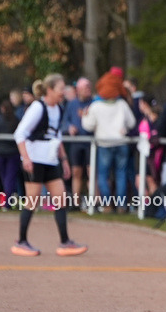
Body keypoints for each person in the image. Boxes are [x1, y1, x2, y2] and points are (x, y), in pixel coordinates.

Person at [11, 74, 87, 256]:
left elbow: (56, 136)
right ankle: (21, 241)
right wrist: (26, 158)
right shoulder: (38, 107)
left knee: (61, 200)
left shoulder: (59, 109)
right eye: (61, 89)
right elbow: (19, 134)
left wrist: (64, 160)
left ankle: (65, 242)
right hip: (34, 161)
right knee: (32, 201)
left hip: (50, 160)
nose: (63, 92)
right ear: (50, 90)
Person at [82, 69, 136, 214]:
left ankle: (106, 205)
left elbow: (88, 126)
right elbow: (131, 123)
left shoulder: (96, 106)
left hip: (104, 144)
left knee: (103, 175)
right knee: (121, 174)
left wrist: (84, 116)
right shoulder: (121, 105)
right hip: (121, 143)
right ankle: (121, 205)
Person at [60, 77, 94, 208]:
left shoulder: (94, 103)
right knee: (76, 172)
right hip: (76, 143)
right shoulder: (72, 104)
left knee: (92, 172)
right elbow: (64, 121)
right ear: (78, 90)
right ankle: (75, 202)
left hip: (91, 143)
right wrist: (69, 127)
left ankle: (94, 202)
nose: (88, 90)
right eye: (85, 88)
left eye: (89, 88)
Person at [0, 99, 22, 208]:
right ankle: (8, 202)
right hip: (13, 152)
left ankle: (7, 203)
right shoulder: (16, 120)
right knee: (10, 178)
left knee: (5, 178)